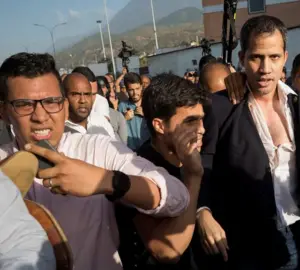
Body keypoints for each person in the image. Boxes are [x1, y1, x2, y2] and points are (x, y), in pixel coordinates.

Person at [197, 15, 300, 270]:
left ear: (285, 58)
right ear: (242, 59)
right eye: (256, 57)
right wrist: (202, 212)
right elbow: (201, 166)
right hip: (248, 244)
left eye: (274, 57)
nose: (265, 68)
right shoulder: (221, 107)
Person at [0, 52, 191, 270]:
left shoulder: (96, 149)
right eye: (25, 104)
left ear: (63, 106)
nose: (41, 115)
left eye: (51, 102)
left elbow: (177, 196)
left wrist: (107, 181)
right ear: (4, 111)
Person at [116, 73, 207, 269]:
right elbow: (166, 250)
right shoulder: (138, 171)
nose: (201, 129)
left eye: (201, 120)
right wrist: (193, 177)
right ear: (159, 125)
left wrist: (203, 212)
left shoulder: (191, 157)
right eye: (190, 121)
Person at [63, 73, 116, 138]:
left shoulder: (101, 122)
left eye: (87, 94)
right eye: (75, 94)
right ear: (64, 97)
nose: (83, 100)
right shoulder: (59, 130)